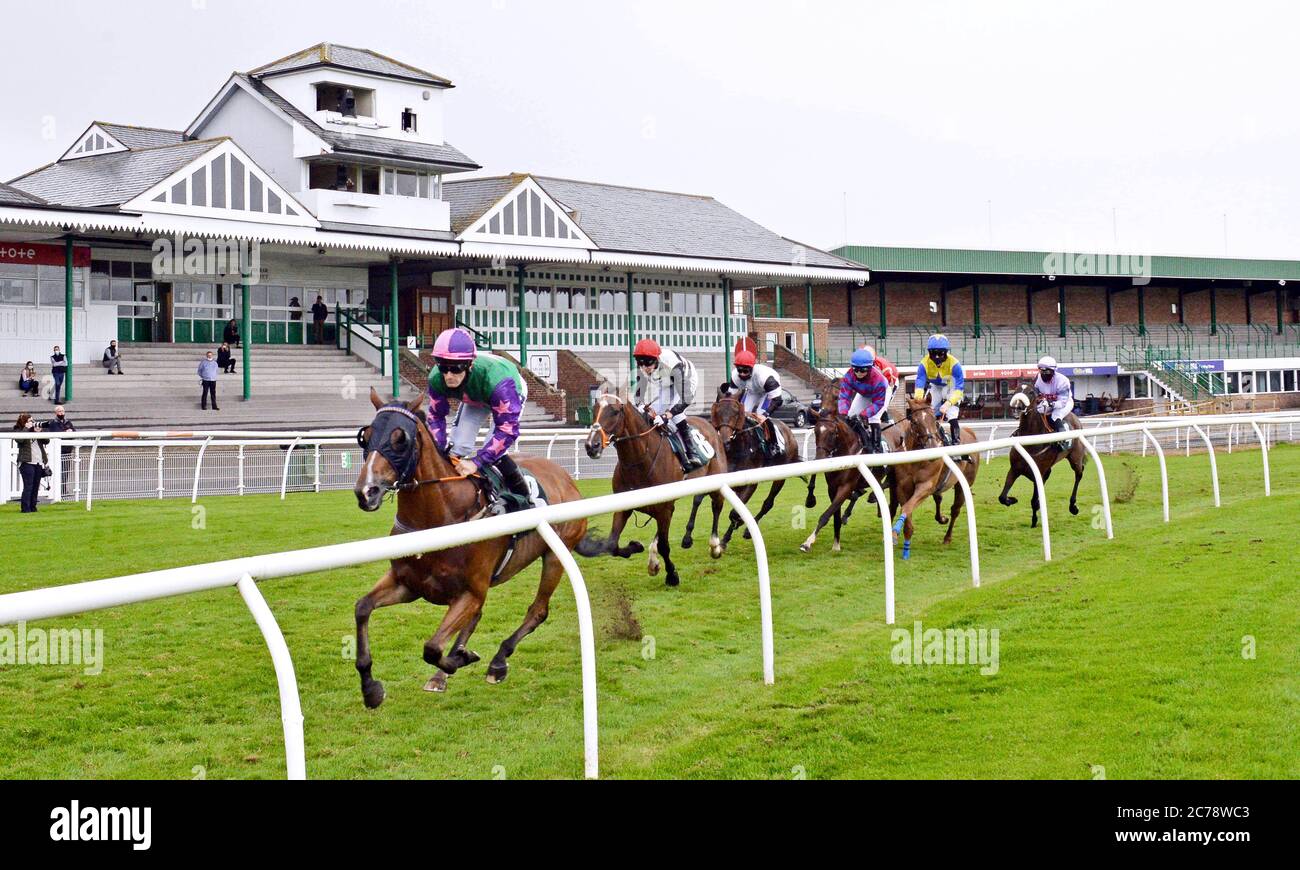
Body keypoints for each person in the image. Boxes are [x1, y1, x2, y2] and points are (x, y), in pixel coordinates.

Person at [425, 327, 532, 510]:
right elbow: (435, 416)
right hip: (475, 395)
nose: (448, 376)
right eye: (443, 367)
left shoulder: (501, 385)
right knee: (457, 446)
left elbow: (507, 430)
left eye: (455, 368)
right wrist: (439, 448)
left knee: (495, 449)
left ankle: (525, 497)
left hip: (505, 387)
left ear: (469, 365)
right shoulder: (436, 378)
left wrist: (476, 463)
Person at [631, 338, 705, 471]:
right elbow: (638, 394)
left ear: (656, 359)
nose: (644, 368)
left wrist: (666, 416)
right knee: (652, 415)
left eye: (647, 363)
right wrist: (641, 406)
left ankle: (692, 452)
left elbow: (686, 399)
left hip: (686, 380)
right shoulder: (643, 366)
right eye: (640, 363)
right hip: (665, 383)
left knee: (675, 416)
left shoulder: (671, 364)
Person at [721, 349, 785, 461]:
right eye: (739, 370)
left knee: (760, 416)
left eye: (745, 371)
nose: (741, 374)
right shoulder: (735, 376)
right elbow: (731, 397)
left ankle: (775, 445)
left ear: (752, 368)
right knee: (742, 416)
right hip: (752, 391)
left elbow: (778, 400)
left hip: (768, 392)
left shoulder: (765, 377)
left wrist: (765, 414)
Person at [913, 334, 966, 447]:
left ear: (946, 352)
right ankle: (931, 438)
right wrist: (918, 399)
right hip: (936, 386)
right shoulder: (924, 363)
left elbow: (959, 389)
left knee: (951, 414)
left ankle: (956, 443)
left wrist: (948, 404)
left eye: (940, 353)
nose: (937, 357)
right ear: (929, 353)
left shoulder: (955, 364)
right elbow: (920, 382)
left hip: (951, 386)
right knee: (929, 411)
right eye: (933, 353)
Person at [838, 347, 890, 453]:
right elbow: (844, 397)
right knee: (850, 415)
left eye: (863, 370)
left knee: (873, 418)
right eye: (855, 369)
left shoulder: (879, 380)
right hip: (864, 394)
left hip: (880, 395)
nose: (858, 373)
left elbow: (878, 403)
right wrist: (843, 413)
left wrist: (864, 414)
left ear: (870, 368)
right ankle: (858, 442)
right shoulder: (848, 376)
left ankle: (876, 449)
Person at [1033, 356, 1074, 451]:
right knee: (1035, 413)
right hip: (1046, 402)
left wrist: (1051, 404)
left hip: (1064, 403)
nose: (1043, 374)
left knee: (1055, 415)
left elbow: (1062, 402)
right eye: (1041, 371)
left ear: (1053, 371)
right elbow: (1036, 394)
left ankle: (1063, 440)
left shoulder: (1063, 381)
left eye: (1047, 372)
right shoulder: (1037, 379)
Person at [12, 414, 47, 513]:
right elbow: (19, 440)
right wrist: (26, 429)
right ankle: (25, 508)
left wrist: (40, 432)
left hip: (38, 462)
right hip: (26, 462)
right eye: (29, 421)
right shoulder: (18, 430)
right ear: (24, 422)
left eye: (32, 420)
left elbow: (47, 441)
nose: (32, 422)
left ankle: (33, 507)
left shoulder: (35, 430)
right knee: (28, 486)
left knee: (36, 486)